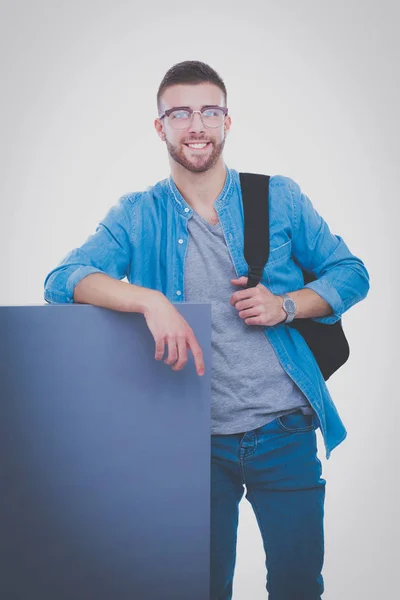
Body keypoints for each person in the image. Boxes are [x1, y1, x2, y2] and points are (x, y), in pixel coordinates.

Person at [44, 60, 370, 599]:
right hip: (191, 442)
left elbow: (351, 273)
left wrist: (285, 305)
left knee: (297, 586)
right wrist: (148, 300)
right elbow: (63, 281)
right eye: (180, 113)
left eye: (209, 111)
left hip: (284, 433)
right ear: (160, 126)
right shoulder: (137, 214)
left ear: (226, 121)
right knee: (199, 588)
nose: (196, 125)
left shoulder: (278, 197)